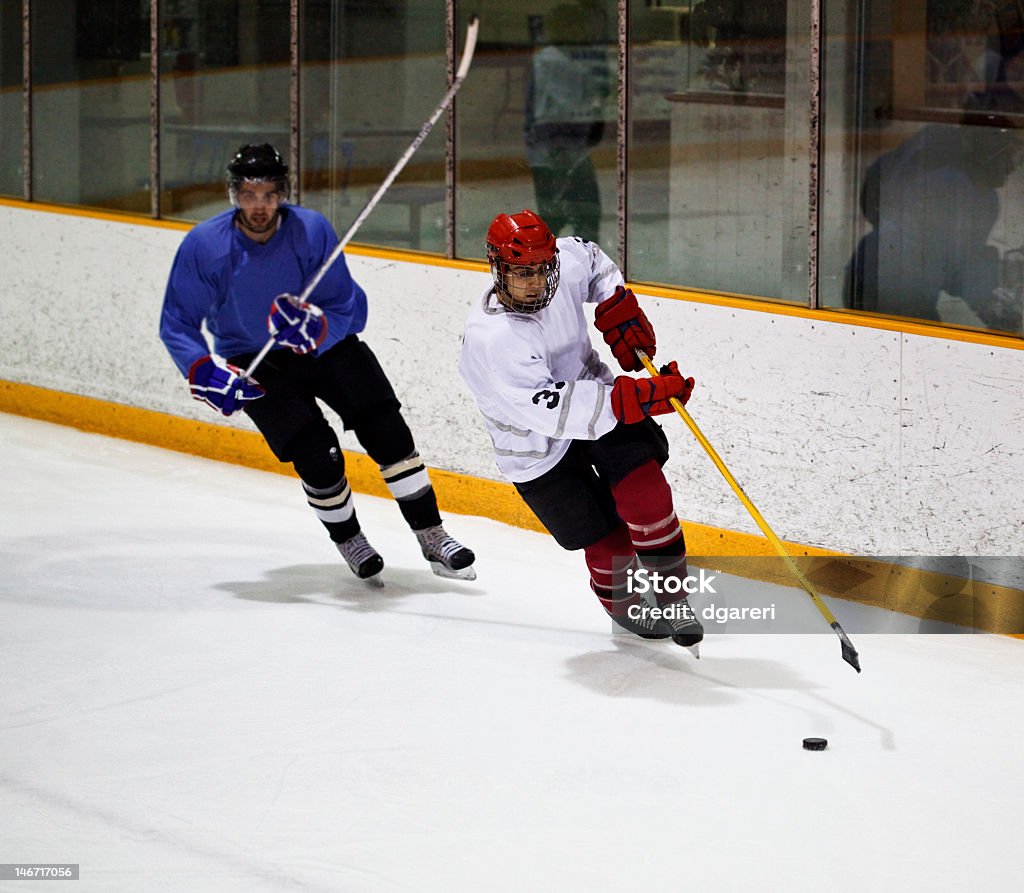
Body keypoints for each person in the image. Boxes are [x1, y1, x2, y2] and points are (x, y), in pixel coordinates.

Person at [159, 143, 475, 585]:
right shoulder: (205, 246)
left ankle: (432, 535)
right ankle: (351, 540)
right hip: (256, 359)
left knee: (388, 432)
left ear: (283, 193)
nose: (259, 206)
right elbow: (177, 321)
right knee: (318, 457)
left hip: (324, 347)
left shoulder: (311, 230)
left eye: (269, 194)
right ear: (234, 194)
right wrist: (202, 369)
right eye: (249, 195)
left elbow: (350, 306)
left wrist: (319, 326)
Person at [458, 209, 704, 654]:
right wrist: (639, 397)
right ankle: (625, 604)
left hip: (591, 392)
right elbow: (554, 411)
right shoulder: (491, 339)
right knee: (608, 545)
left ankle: (675, 597)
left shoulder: (565, 261)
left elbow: (591, 260)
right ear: (497, 269)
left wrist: (617, 307)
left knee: (646, 493)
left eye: (540, 270)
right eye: (520, 273)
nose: (534, 282)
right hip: (533, 444)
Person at [845, 94, 1024, 331]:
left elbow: (955, 262)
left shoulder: (983, 196)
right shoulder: (947, 183)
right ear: (987, 147)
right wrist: (989, 302)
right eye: (1008, 154)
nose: (1014, 166)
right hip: (884, 286)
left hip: (877, 273)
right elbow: (955, 266)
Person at [524, 2, 610, 243]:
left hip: (560, 152)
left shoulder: (560, 59)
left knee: (572, 219)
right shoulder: (552, 61)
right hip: (557, 153)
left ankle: (563, 272)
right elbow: (560, 112)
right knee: (578, 219)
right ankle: (558, 275)